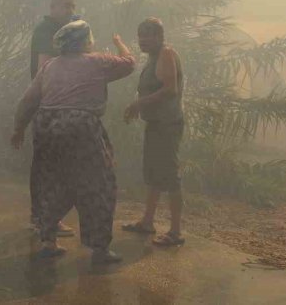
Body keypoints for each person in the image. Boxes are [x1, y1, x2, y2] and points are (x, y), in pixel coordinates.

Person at [12, 21, 135, 264]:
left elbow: (28, 101)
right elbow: (130, 64)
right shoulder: (97, 61)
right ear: (84, 41)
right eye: (90, 38)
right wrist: (120, 43)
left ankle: (48, 240)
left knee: (52, 181)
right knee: (98, 183)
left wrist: (18, 129)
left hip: (46, 125)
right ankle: (99, 248)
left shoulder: (49, 66)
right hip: (80, 125)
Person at [122, 18, 186, 247]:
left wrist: (138, 104)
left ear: (160, 37)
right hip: (156, 124)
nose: (144, 40)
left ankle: (176, 232)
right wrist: (143, 106)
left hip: (168, 125)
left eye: (149, 35)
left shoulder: (166, 54)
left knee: (170, 175)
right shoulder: (152, 58)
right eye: (141, 35)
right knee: (153, 174)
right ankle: (147, 221)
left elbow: (170, 90)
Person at [28, 0, 79, 237]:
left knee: (53, 163)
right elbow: (44, 68)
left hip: (61, 103)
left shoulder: (68, 30)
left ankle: (45, 216)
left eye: (72, 5)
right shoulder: (46, 31)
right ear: (53, 7)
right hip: (49, 104)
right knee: (47, 163)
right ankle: (43, 217)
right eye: (65, 6)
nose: (71, 10)